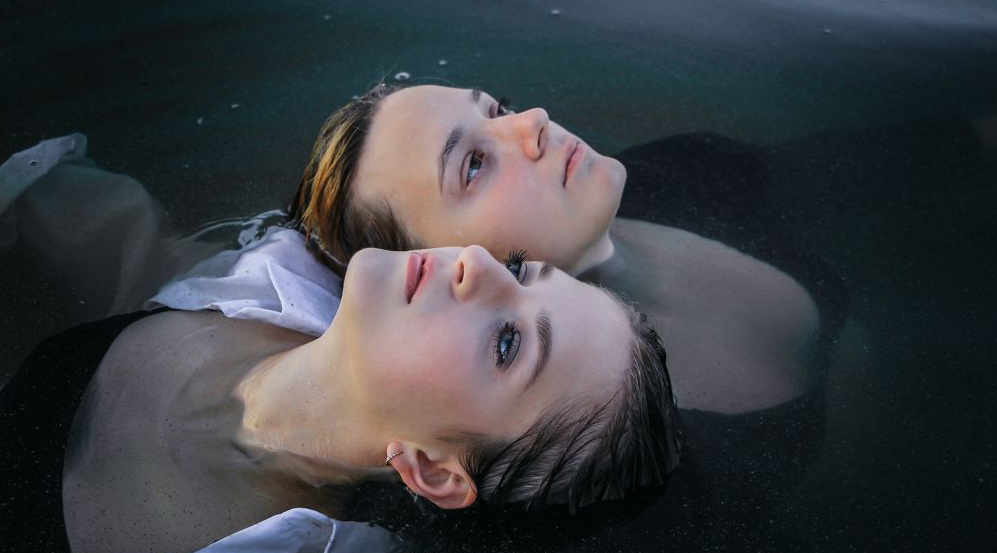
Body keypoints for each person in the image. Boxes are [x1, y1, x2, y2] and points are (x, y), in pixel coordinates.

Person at [0, 245, 681, 553]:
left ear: (434, 469)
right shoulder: (281, 269)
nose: (475, 260)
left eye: (508, 343)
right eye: (518, 267)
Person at [290, 83, 824, 416]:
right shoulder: (590, 447)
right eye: (473, 164)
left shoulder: (696, 169)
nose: (534, 120)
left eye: (498, 109)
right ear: (444, 269)